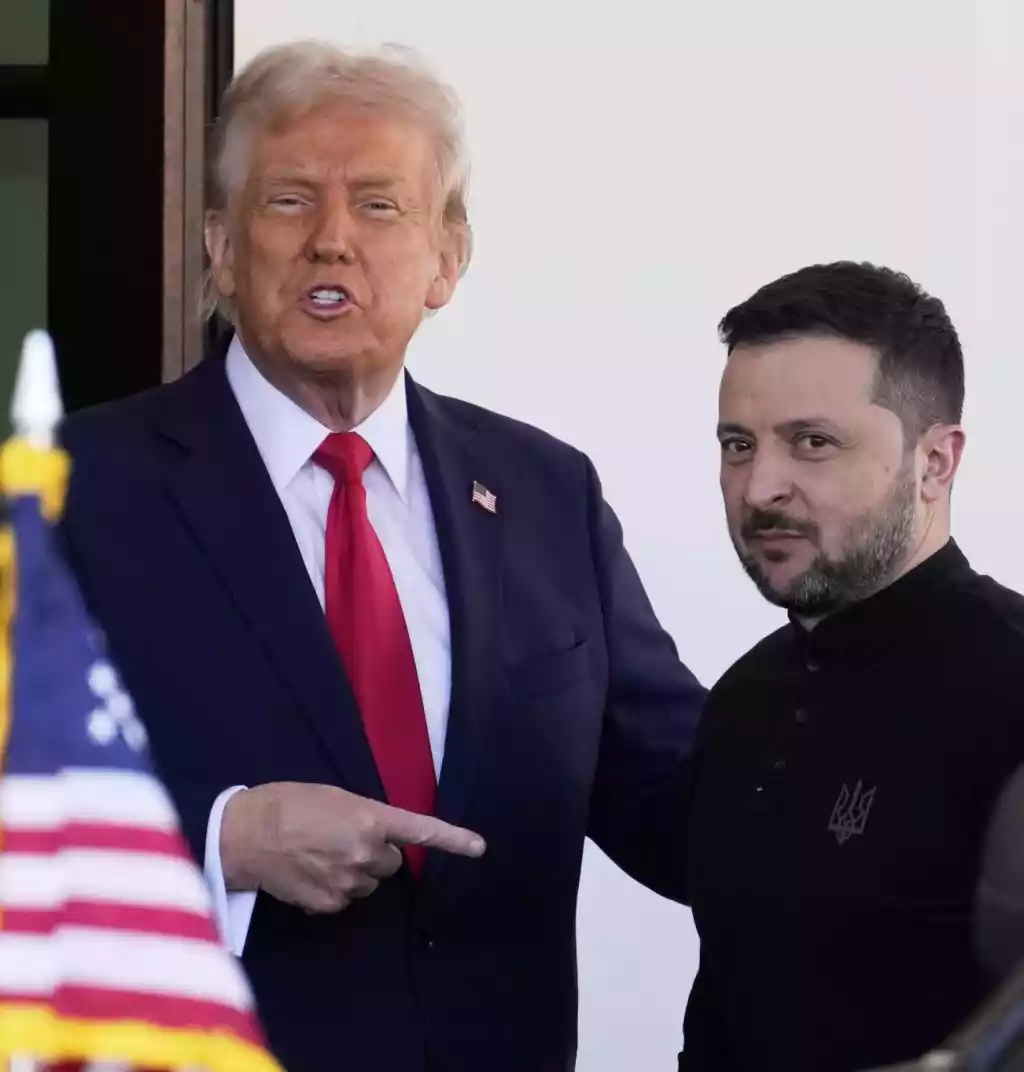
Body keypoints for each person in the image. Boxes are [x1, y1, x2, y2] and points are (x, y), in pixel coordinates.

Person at [57, 41, 706, 1072]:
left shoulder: (547, 492)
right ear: (222, 249)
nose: (331, 240)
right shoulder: (75, 490)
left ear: (447, 259)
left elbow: (680, 801)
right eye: (289, 202)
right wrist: (225, 840)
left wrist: (880, 678)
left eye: (377, 205)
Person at [679, 261, 1024, 1072]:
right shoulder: (743, 700)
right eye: (738, 446)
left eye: (813, 443)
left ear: (935, 463)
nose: (760, 488)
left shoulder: (1012, 690)